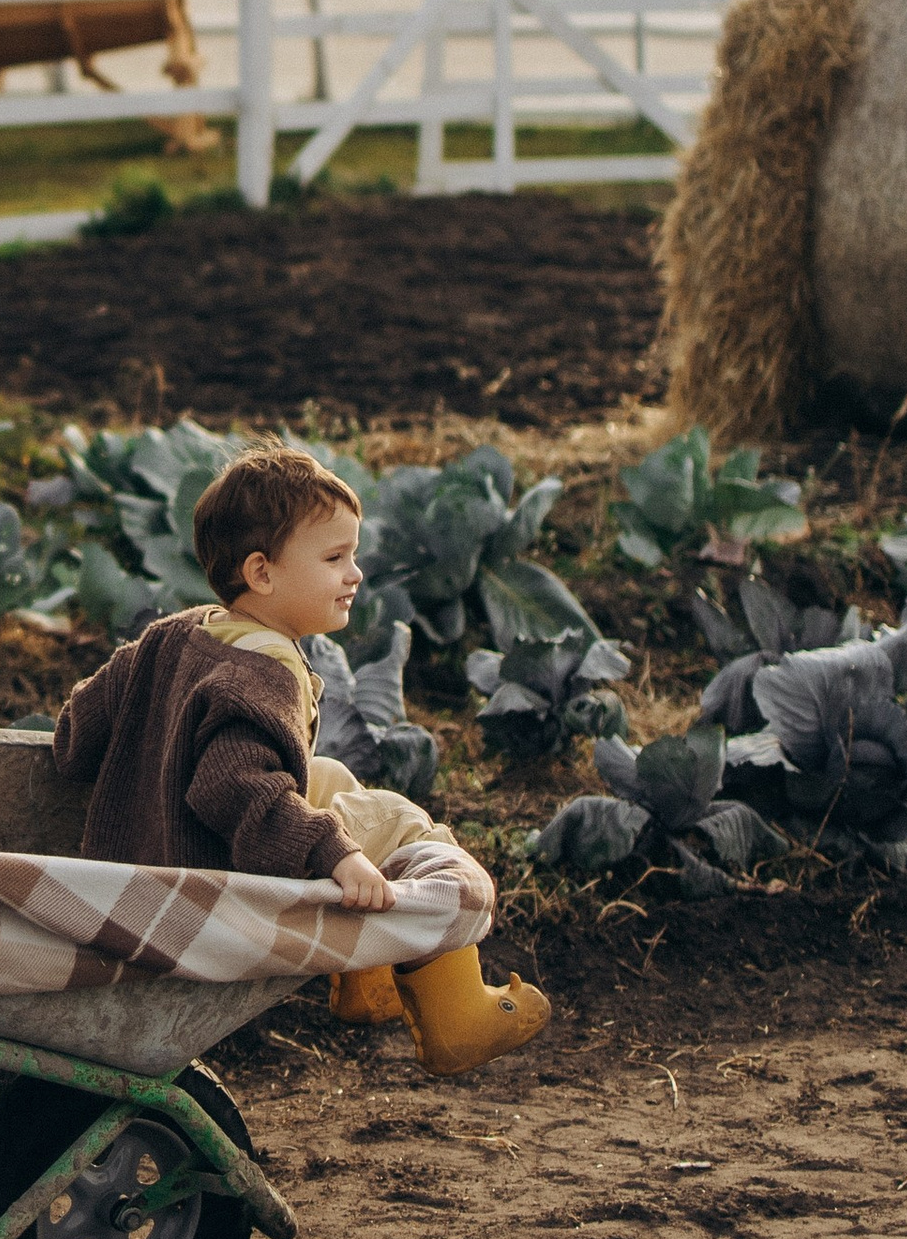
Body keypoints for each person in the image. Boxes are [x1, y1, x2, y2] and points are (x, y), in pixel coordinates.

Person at [52, 444, 550, 1077]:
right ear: (262, 573)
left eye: (354, 555)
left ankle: (368, 982)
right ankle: (455, 1018)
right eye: (335, 558)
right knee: (395, 822)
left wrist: (145, 743)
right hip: (204, 878)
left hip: (133, 867)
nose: (356, 574)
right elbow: (233, 786)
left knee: (332, 778)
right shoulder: (264, 670)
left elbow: (73, 740)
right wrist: (332, 853)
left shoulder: (170, 636)